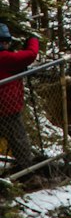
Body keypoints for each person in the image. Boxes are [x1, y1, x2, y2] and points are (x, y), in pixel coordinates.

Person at [0, 24, 41, 171]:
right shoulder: (5, 58)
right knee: (19, 139)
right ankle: (27, 171)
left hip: (6, 107)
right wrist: (33, 39)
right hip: (7, 108)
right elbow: (30, 54)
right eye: (5, 41)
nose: (7, 44)